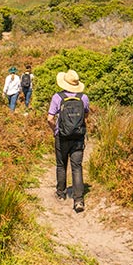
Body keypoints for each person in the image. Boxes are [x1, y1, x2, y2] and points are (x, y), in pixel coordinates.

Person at [47, 69, 90, 213]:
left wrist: (55, 130)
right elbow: (86, 116)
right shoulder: (83, 97)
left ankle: (61, 193)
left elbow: (50, 118)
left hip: (62, 136)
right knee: (77, 167)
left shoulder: (57, 97)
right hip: (78, 137)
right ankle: (78, 200)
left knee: (61, 165)